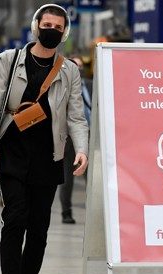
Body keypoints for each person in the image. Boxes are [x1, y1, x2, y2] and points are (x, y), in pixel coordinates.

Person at [0, 4, 89, 274]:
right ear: (35, 26)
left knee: (39, 227)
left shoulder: (70, 71)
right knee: (15, 218)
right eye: (46, 25)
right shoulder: (9, 59)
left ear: (64, 34)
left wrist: (82, 149)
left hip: (48, 156)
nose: (51, 31)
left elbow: (76, 116)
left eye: (57, 28)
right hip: (12, 152)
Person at [57, 57, 92, 224]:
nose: (78, 69)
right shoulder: (61, 88)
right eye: (74, 66)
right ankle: (66, 212)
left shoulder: (91, 86)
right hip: (68, 138)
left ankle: (94, 212)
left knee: (92, 177)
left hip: (91, 135)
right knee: (67, 177)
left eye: (80, 66)